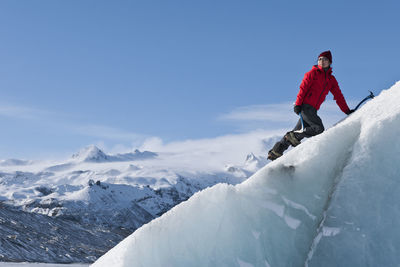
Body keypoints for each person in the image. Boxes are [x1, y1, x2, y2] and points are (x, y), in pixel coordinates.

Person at [267, 50, 353, 161]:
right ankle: (293, 137)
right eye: (320, 59)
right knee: (318, 129)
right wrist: (298, 104)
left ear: (330, 62)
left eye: (325, 59)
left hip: (313, 110)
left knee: (295, 132)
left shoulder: (331, 80)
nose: (322, 61)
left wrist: (346, 110)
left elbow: (338, 96)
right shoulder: (312, 73)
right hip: (305, 107)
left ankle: (275, 152)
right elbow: (303, 89)